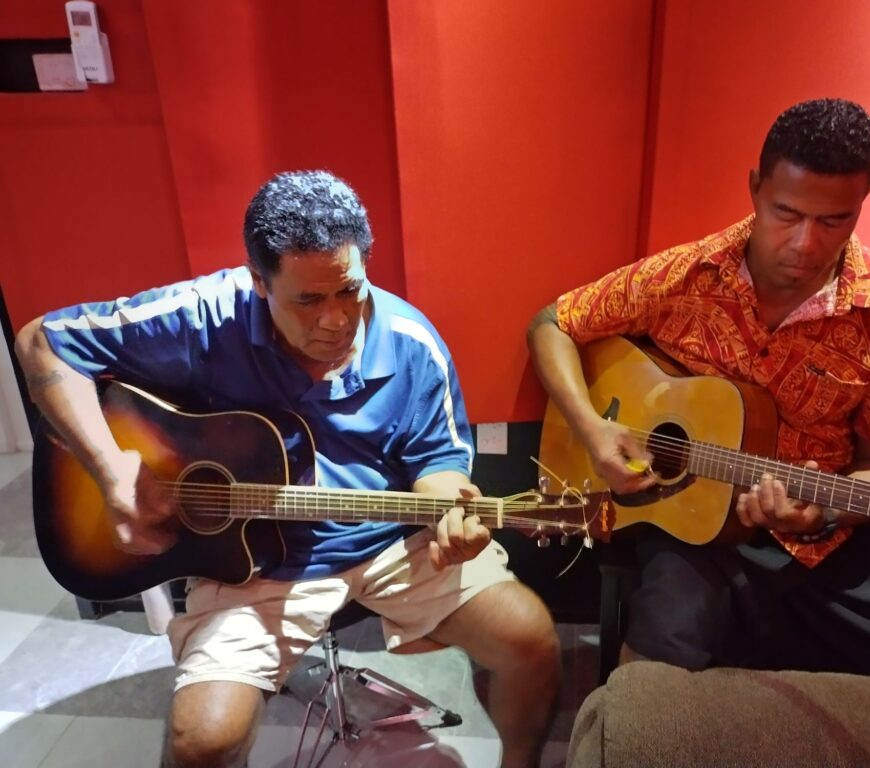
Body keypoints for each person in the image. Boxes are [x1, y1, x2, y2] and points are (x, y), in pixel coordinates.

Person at [17, 170, 560, 768]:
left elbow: (438, 460)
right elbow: (43, 342)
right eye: (307, 300)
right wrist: (111, 471)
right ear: (258, 283)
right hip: (252, 564)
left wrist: (455, 509)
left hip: (389, 543)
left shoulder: (411, 343)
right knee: (203, 740)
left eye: (349, 291)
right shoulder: (203, 319)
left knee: (531, 642)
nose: (336, 320)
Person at [527, 98, 870, 683]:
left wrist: (822, 508)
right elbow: (553, 323)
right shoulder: (687, 275)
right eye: (786, 213)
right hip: (695, 528)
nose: (804, 244)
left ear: (862, 202)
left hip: (833, 534)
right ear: (756, 188)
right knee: (648, 680)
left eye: (833, 221)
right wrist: (593, 429)